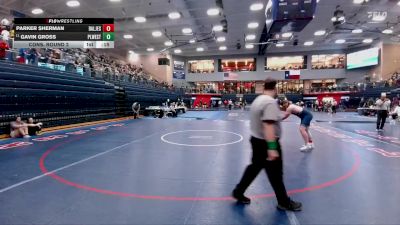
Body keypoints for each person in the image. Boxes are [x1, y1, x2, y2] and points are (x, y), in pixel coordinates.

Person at [232, 78, 302, 211]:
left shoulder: (258, 100)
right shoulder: (270, 102)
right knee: (276, 174)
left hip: (256, 140)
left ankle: (238, 192)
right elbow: (268, 125)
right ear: (275, 89)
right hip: (267, 143)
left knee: (253, 168)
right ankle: (284, 202)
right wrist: (272, 148)